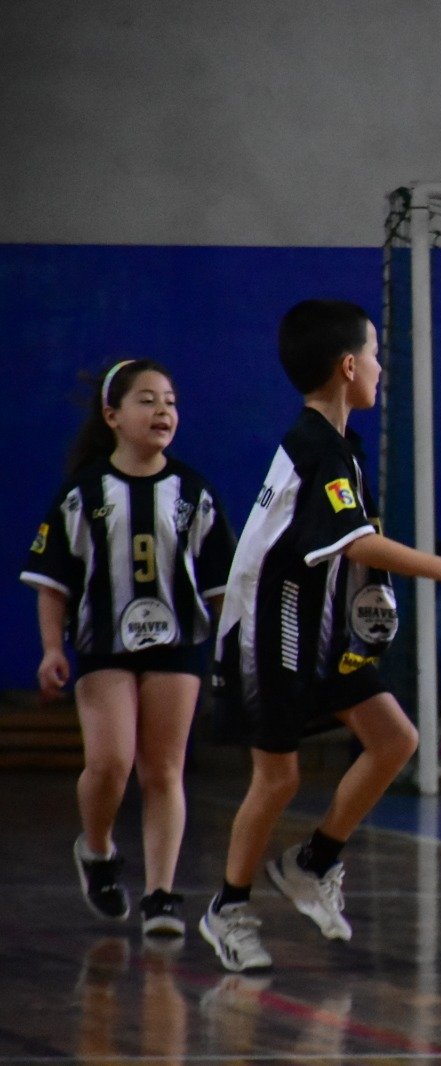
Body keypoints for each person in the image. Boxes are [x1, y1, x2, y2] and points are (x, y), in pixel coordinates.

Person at [199, 299, 441, 973]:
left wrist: (371, 609)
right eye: (374, 354)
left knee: (395, 737)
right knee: (277, 776)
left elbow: (347, 551)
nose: (381, 367)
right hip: (270, 627)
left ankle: (314, 862)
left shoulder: (338, 443)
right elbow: (361, 540)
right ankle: (227, 908)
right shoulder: (317, 446)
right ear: (349, 367)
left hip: (316, 622)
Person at [22, 359, 236, 938]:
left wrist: (235, 653)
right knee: (111, 764)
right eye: (147, 400)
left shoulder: (193, 492)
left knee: (163, 769)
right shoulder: (84, 493)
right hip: (103, 643)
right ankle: (97, 850)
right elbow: (51, 580)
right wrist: (50, 649)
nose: (163, 410)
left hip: (179, 643)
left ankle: (162, 896)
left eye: (169, 400)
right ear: (112, 416)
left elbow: (220, 586)